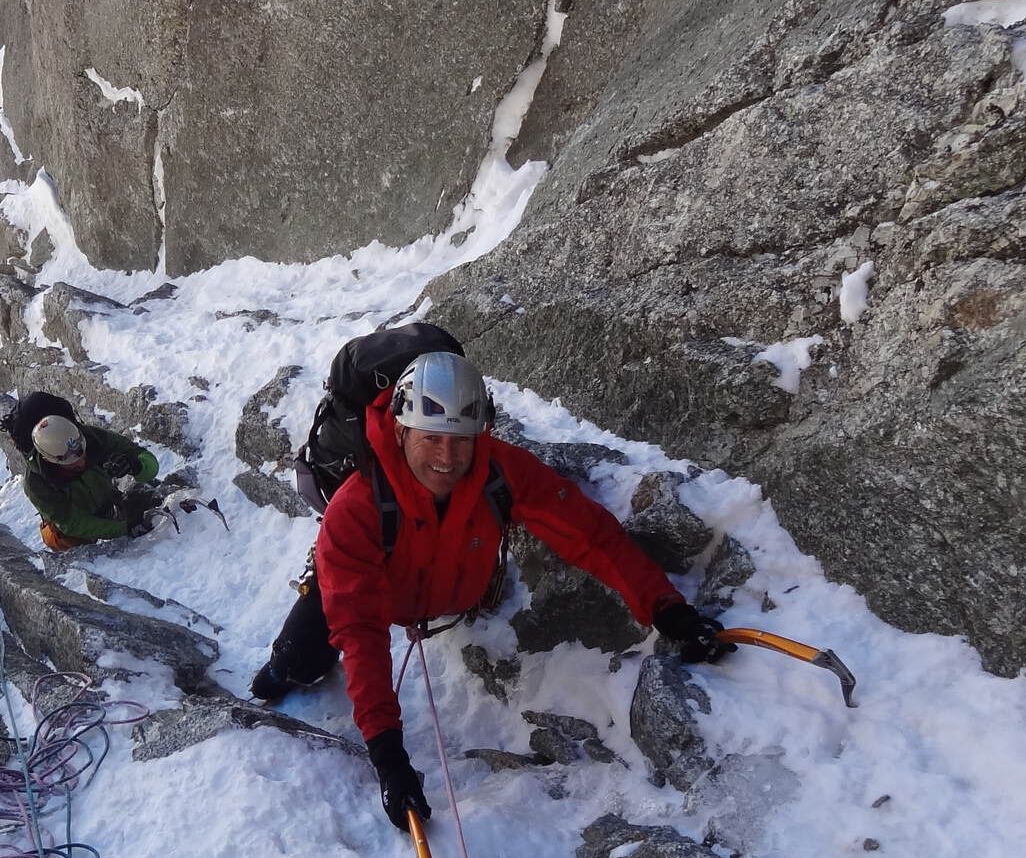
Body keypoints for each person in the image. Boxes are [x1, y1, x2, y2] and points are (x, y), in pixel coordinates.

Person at [250, 350, 733, 830]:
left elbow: (591, 536)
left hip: (451, 591)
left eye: (461, 440)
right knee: (296, 662)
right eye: (431, 438)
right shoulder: (356, 506)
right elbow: (360, 632)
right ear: (400, 431)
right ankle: (281, 665)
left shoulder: (499, 472)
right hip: (373, 592)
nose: (446, 458)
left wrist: (666, 608)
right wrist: (387, 755)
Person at [12, 401, 162, 551]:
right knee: (59, 537)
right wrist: (124, 528)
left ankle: (114, 512)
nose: (81, 461)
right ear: (48, 459)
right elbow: (71, 522)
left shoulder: (94, 438)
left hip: (107, 501)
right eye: (71, 461)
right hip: (71, 527)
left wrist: (137, 465)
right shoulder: (36, 483)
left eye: (82, 453)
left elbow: (147, 461)